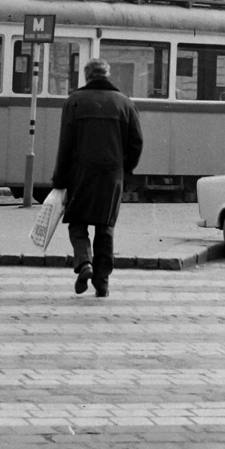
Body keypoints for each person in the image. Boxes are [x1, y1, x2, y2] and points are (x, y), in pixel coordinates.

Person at [51, 58, 143, 299]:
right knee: (106, 227)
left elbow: (65, 145)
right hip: (112, 175)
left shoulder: (74, 102)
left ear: (86, 75)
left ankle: (84, 264)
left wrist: (59, 179)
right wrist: (125, 169)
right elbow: (136, 142)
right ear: (107, 75)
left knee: (77, 224)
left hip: (81, 173)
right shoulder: (124, 103)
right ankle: (102, 282)